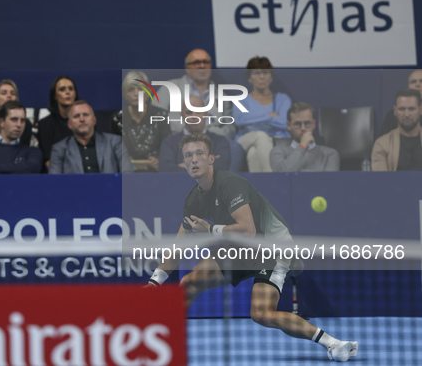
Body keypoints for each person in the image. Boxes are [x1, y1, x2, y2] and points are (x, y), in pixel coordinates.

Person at [147, 133, 358, 362]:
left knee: (262, 314)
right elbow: (178, 248)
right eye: (188, 155)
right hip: (241, 250)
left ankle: (334, 344)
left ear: (211, 159)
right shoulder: (193, 201)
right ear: (184, 162)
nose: (194, 159)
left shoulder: (230, 184)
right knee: (189, 283)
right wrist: (154, 282)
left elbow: (247, 229)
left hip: (272, 249)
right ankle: (160, 343)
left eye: (199, 154)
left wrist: (210, 230)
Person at [152, 49, 236, 140]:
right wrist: (187, 130)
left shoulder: (220, 95)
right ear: (187, 68)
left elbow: (230, 128)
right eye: (196, 63)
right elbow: (155, 118)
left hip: (212, 141)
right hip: (178, 140)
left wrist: (206, 133)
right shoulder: (170, 88)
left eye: (206, 62)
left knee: (234, 147)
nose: (202, 66)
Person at [232, 56, 291, 172]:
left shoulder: (282, 99)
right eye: (257, 73)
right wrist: (270, 116)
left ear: (271, 77)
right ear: (250, 78)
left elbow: (286, 123)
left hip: (276, 141)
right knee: (260, 135)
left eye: (266, 73)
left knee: (253, 153)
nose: (262, 77)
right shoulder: (241, 100)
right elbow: (240, 120)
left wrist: (253, 117)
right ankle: (274, 178)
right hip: (245, 140)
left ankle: (260, 188)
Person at [159, 95, 245, 172]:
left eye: (198, 112)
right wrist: (206, 163)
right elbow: (166, 170)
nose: (194, 116)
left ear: (205, 114)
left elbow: (221, 167)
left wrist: (184, 165)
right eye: (189, 112)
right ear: (182, 115)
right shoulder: (169, 142)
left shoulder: (220, 141)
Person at [49, 100, 123, 174]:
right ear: (69, 124)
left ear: (94, 120)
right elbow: (54, 182)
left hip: (110, 185)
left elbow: (127, 175)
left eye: (85, 115)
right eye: (76, 116)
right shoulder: (59, 149)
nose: (82, 119)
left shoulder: (115, 142)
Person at [121, 71, 171, 172]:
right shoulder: (117, 118)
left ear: (148, 93)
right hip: (127, 174)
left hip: (157, 173)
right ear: (125, 95)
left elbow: (169, 149)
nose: (136, 93)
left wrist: (160, 161)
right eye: (131, 89)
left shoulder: (161, 116)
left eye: (140, 89)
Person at [270, 102, 340, 172]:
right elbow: (281, 176)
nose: (303, 128)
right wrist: (302, 146)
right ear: (289, 126)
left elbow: (329, 181)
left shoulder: (329, 154)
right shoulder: (278, 152)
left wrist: (298, 172)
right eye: (297, 124)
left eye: (307, 123)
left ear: (314, 124)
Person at [372, 89, 422, 171]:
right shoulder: (382, 144)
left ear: (420, 110)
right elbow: (381, 180)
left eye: (412, 109)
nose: (406, 114)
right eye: (402, 109)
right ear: (395, 111)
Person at [38, 75, 79, 170]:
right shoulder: (45, 124)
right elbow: (48, 162)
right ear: (55, 96)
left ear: (75, 94)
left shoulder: (83, 122)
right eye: (62, 89)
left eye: (71, 89)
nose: (67, 92)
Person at [380, 70, 422, 135]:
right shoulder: (393, 116)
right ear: (409, 86)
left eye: (421, 81)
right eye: (413, 82)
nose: (417, 84)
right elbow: (384, 141)